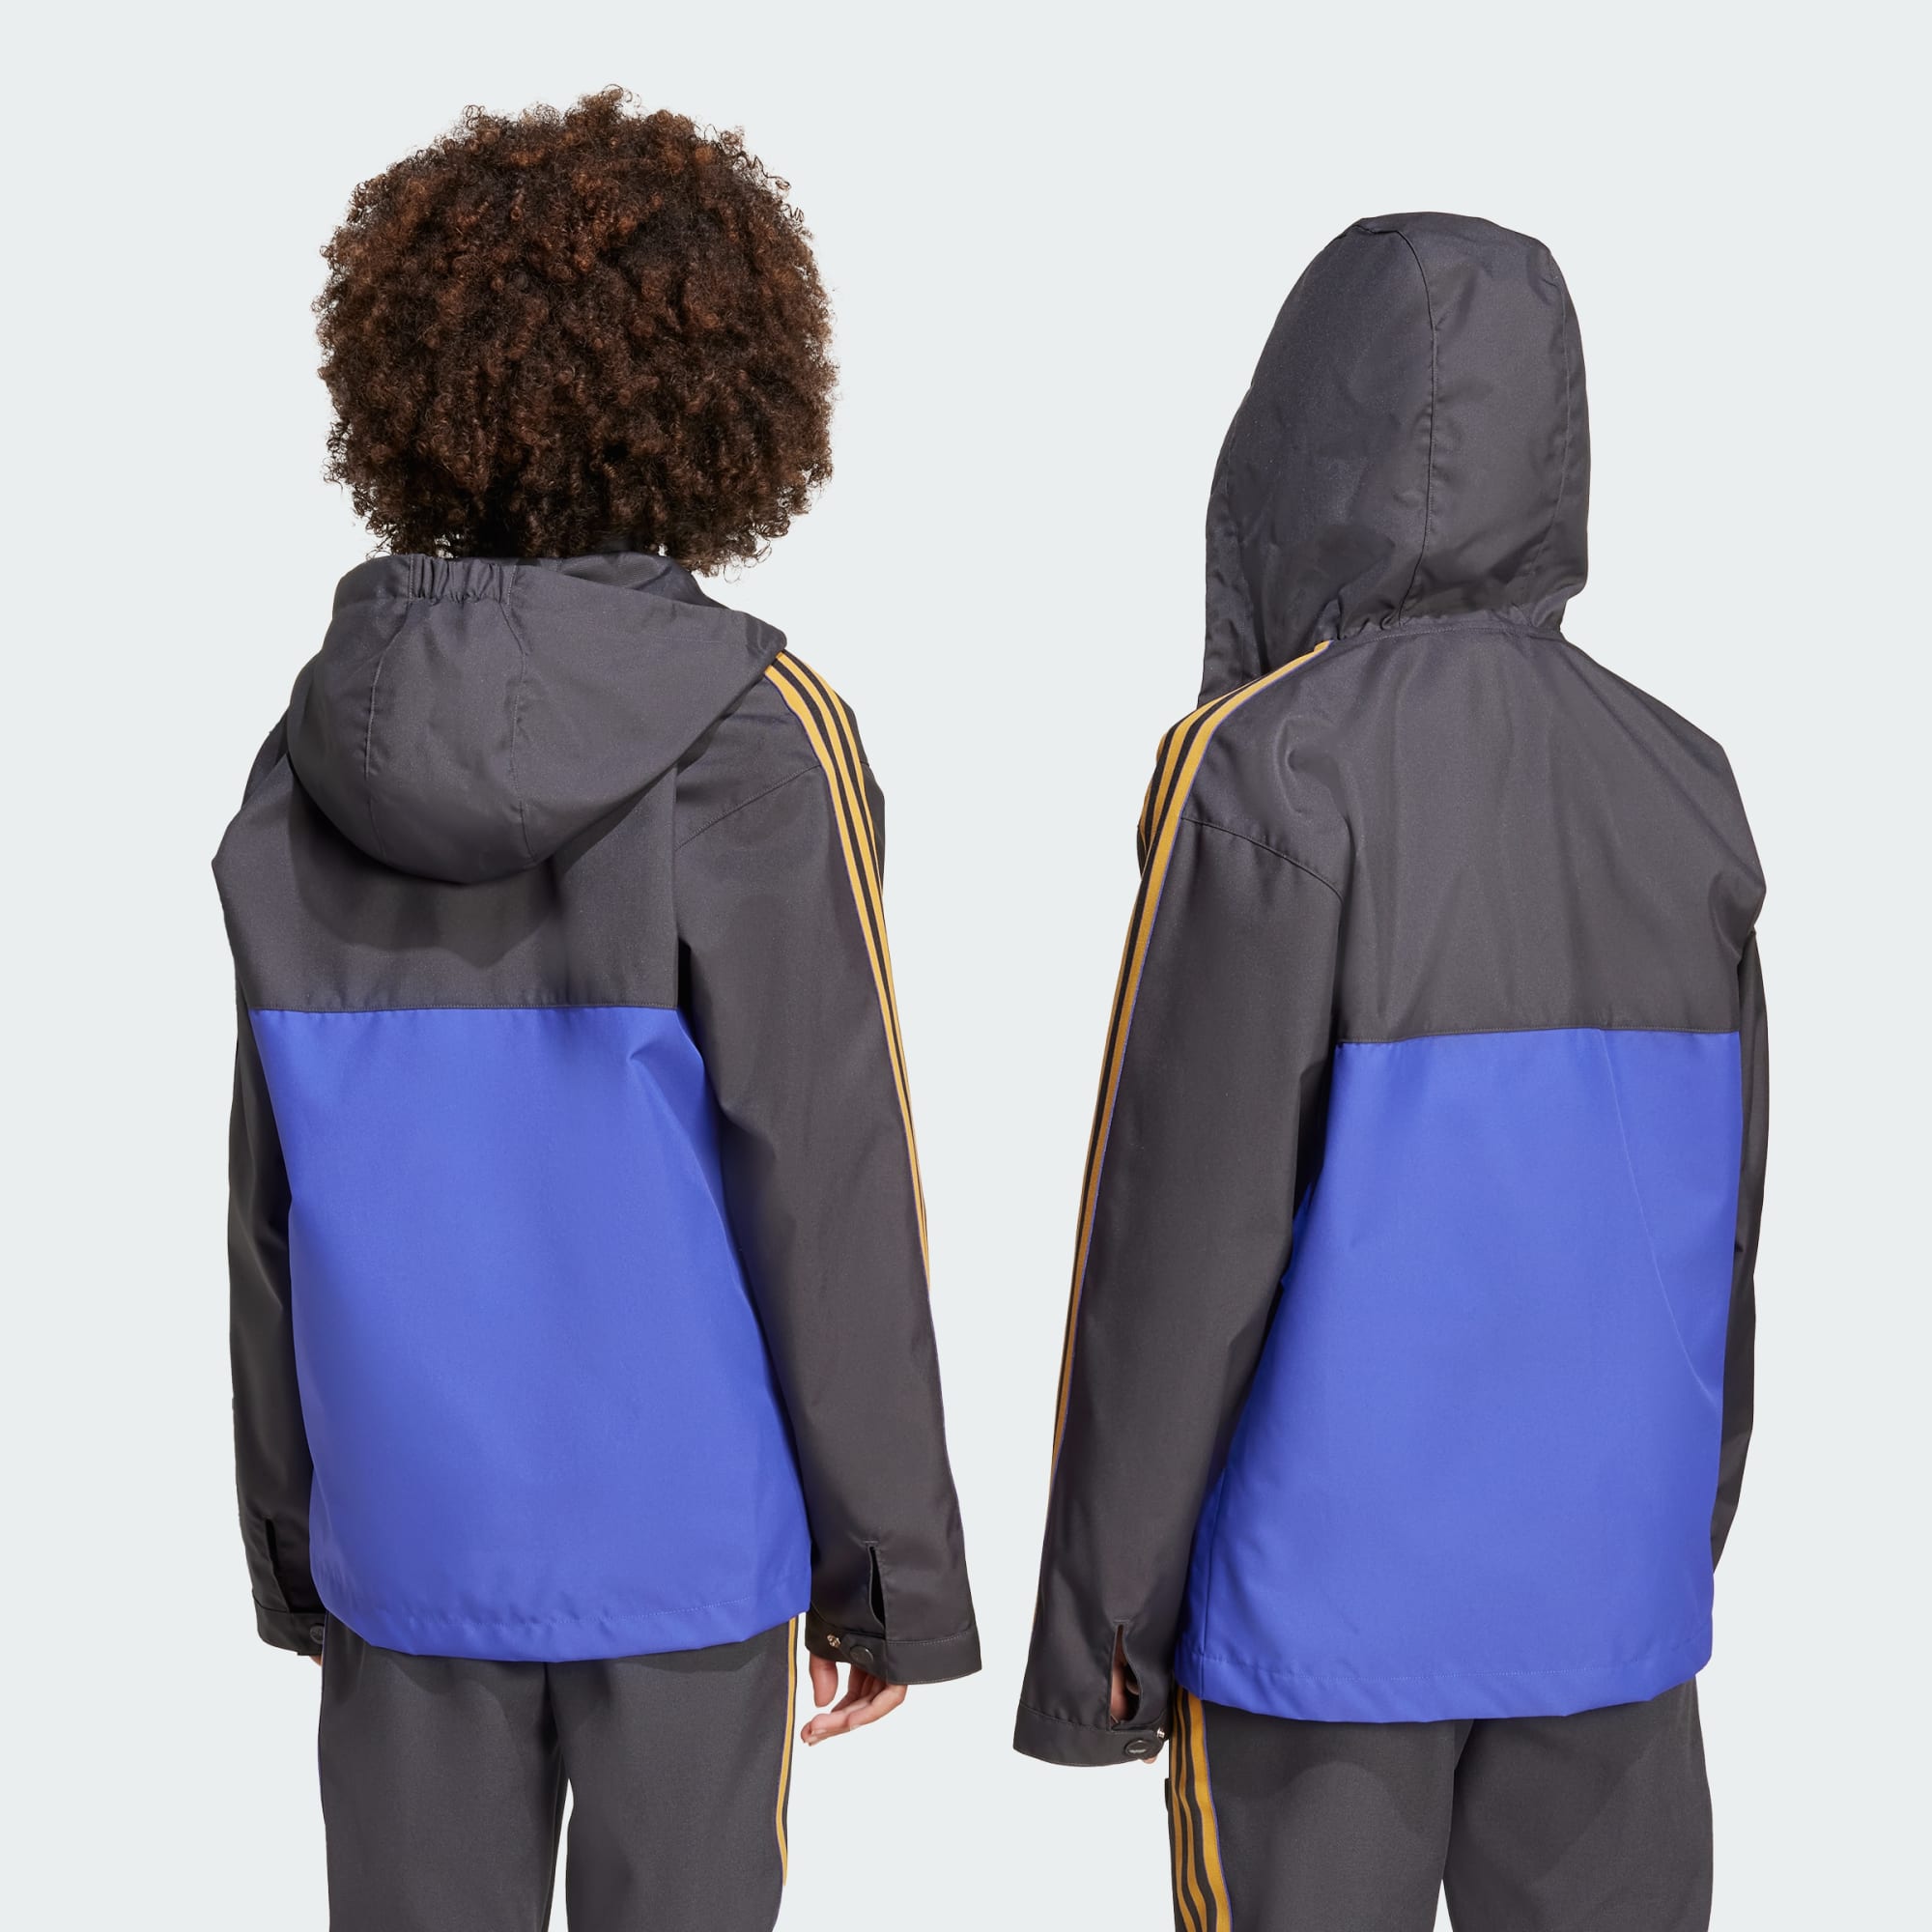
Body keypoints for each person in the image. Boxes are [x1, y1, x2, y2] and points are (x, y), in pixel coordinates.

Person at [214, 92, 978, 1932]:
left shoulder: (309, 746)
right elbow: (831, 1180)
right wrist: (886, 1571)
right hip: (686, 1557)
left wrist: (299, 1539)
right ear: (728, 395)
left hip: (408, 1537)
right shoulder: (758, 742)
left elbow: (269, 1201)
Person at [1016, 213, 1765, 1932]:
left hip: (1319, 1636)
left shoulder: (1266, 772)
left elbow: (1178, 1247)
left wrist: (1105, 1634)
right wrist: (1675, 1533)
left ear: (1295, 449)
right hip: (1608, 1604)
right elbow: (1725, 1233)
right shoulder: (1686, 784)